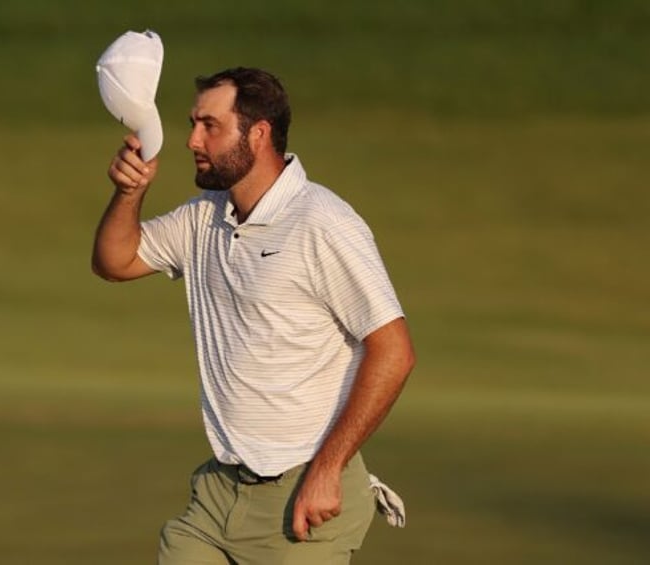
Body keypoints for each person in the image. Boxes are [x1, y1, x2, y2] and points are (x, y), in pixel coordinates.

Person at [92, 67, 415, 564]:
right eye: (192, 123)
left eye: (209, 125)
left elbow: (394, 351)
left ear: (258, 133)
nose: (191, 139)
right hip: (220, 494)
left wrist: (329, 471)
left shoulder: (322, 223)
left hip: (307, 501)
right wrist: (130, 192)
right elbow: (115, 262)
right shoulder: (204, 217)